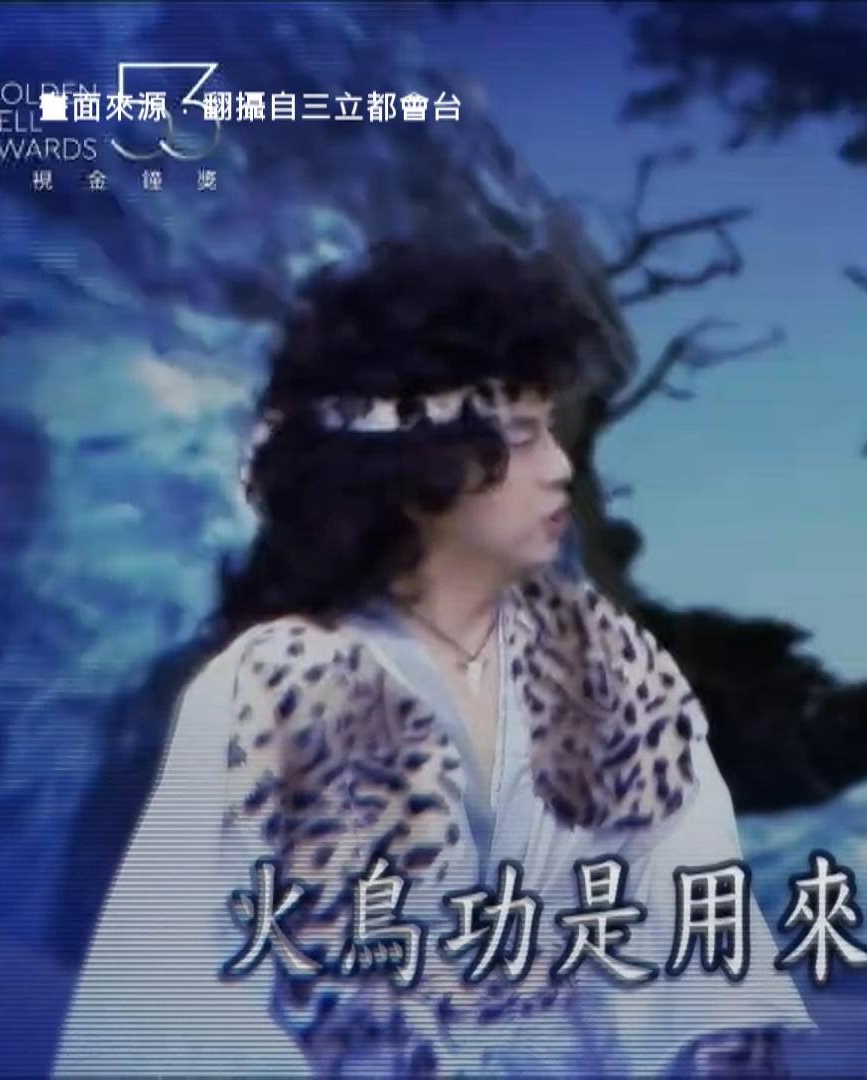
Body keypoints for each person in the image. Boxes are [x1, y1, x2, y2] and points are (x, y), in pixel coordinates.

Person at [54, 240, 812, 1078]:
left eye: (551, 430)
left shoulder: (611, 669)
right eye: (521, 437)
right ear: (418, 461)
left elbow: (704, 948)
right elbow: (181, 1003)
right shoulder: (275, 683)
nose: (560, 469)